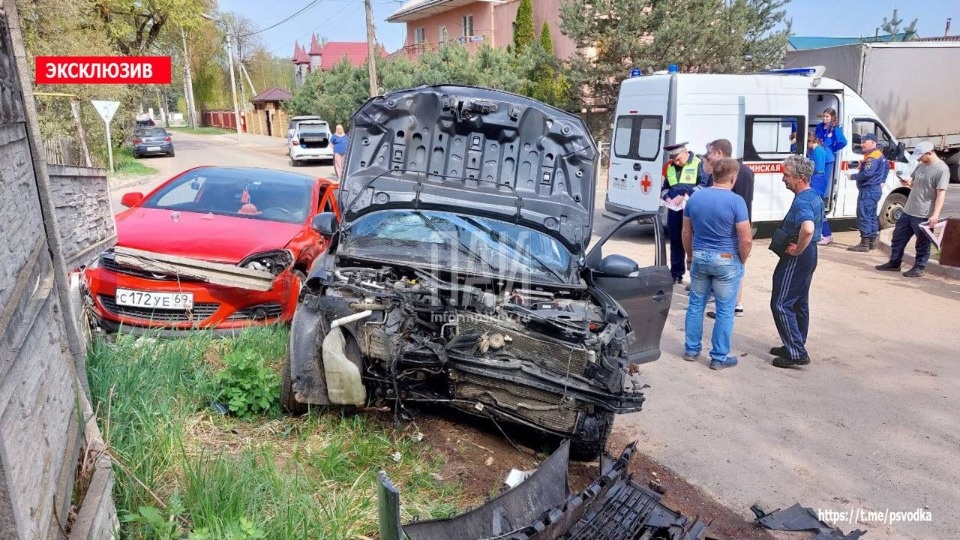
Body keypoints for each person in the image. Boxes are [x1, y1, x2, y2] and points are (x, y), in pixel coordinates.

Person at [682, 158, 752, 370]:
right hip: (726, 259)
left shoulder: (695, 198)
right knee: (725, 310)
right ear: (733, 178)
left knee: (695, 305)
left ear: (712, 175)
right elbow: (746, 238)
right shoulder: (736, 201)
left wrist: (689, 255)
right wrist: (742, 259)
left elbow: (686, 231)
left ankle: (691, 350)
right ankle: (719, 357)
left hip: (700, 256)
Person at [769, 155, 823, 369]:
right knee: (799, 303)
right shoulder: (813, 196)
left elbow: (807, 228)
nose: (783, 179)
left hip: (798, 256)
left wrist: (797, 249)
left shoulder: (802, 201)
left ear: (800, 178)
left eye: (787, 175)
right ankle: (794, 343)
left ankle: (796, 352)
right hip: (809, 254)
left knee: (781, 303)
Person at [875, 141, 950, 278]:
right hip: (908, 210)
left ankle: (919, 267)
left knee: (922, 242)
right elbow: (915, 184)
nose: (919, 159)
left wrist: (935, 215)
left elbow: (941, 194)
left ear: (929, 152)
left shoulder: (942, 170)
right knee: (898, 238)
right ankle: (894, 263)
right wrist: (908, 183)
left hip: (924, 213)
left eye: (920, 156)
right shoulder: (921, 166)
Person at [701, 139, 754, 319]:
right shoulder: (746, 171)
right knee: (739, 266)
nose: (708, 156)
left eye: (710, 153)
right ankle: (737, 304)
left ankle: (725, 307)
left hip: (726, 228)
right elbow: (748, 200)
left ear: (719, 153)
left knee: (725, 270)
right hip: (744, 223)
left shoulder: (720, 173)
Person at [661, 142, 705, 284]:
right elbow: (665, 188)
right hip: (674, 211)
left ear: (686, 153)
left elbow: (704, 185)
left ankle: (696, 278)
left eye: (678, 158)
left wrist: (685, 195)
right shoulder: (671, 166)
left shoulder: (698, 163)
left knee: (693, 242)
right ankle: (676, 273)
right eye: (673, 159)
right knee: (675, 241)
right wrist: (667, 198)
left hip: (693, 211)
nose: (676, 161)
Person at [847, 133, 887, 252]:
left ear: (873, 143)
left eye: (865, 142)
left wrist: (852, 176)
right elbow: (887, 167)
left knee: (863, 215)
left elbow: (867, 173)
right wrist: (882, 180)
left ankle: (864, 243)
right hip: (874, 189)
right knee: (871, 215)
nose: (861, 144)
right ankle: (872, 241)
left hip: (868, 190)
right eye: (861, 141)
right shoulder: (878, 155)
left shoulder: (873, 157)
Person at [807, 133, 834, 245]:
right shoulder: (818, 149)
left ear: (810, 142)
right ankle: (824, 234)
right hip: (818, 179)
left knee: (817, 208)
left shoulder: (817, 151)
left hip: (817, 179)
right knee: (816, 208)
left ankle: (827, 234)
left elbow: (816, 167)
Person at [815, 108, 847, 181]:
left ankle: (823, 193)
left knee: (824, 179)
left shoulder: (835, 128)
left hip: (827, 157)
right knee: (816, 178)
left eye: (827, 117)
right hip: (818, 154)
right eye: (823, 116)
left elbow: (843, 142)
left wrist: (832, 148)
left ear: (832, 117)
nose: (824, 118)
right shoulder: (819, 126)